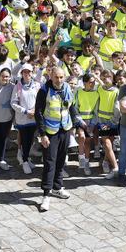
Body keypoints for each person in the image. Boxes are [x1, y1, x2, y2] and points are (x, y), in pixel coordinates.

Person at [35, 66, 87, 212]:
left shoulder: (67, 88)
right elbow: (38, 113)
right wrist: (42, 134)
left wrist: (78, 120)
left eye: (61, 77)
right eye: (56, 77)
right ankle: (46, 195)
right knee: (49, 162)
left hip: (64, 129)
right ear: (51, 76)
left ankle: (58, 187)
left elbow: (71, 107)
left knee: (61, 160)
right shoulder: (44, 91)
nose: (59, 80)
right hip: (50, 131)